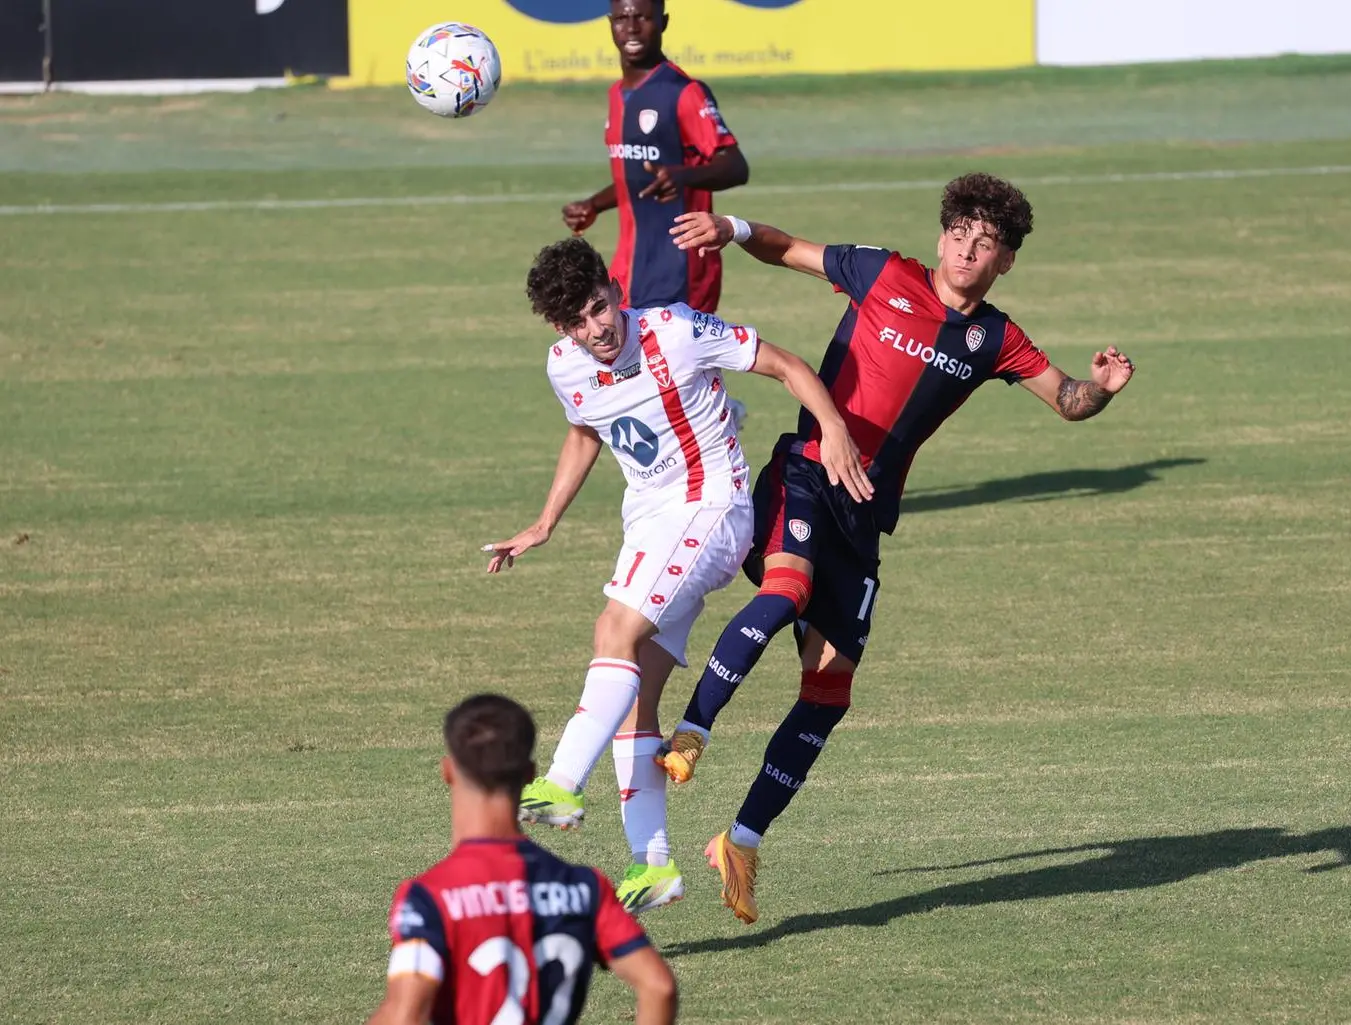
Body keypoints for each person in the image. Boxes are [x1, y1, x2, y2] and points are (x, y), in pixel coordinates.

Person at [659, 173, 1139, 924]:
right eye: (959, 234)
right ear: (942, 232)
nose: (966, 251)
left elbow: (1068, 398)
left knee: (829, 691)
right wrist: (735, 229)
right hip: (808, 472)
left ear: (1006, 260)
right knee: (784, 592)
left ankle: (742, 839)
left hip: (865, 515)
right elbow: (791, 251)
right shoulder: (884, 272)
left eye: (985, 244)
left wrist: (1102, 388)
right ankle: (692, 732)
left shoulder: (996, 339)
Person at [481, 237, 869, 914]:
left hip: (712, 510)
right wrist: (544, 521)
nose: (598, 327)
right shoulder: (564, 366)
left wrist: (832, 427)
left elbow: (784, 364)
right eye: (579, 320)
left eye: (601, 306)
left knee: (614, 629)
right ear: (560, 329)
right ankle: (653, 863)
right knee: (636, 694)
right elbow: (584, 430)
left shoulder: (677, 330)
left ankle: (563, 780)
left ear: (613, 288)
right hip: (652, 523)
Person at [364, 693, 677, 1025]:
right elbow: (659, 986)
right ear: (530, 774)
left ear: (448, 772)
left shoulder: (430, 896)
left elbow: (405, 1014)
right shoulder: (585, 888)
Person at [561, 0, 749, 314]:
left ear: (663, 22)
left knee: (678, 365)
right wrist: (594, 205)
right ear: (610, 23)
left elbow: (736, 166)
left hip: (681, 270)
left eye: (643, 18)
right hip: (630, 269)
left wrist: (683, 176)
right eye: (622, 18)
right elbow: (637, 177)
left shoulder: (683, 92)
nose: (632, 28)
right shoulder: (616, 94)